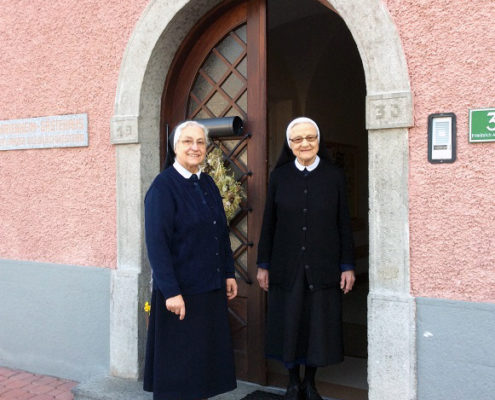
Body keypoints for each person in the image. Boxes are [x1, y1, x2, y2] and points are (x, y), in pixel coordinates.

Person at [257, 117, 356, 400]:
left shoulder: (334, 176)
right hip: (286, 265)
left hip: (323, 264)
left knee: (316, 325)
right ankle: (292, 382)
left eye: (310, 138)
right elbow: (269, 223)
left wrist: (347, 265)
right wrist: (263, 264)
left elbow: (343, 223)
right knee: (290, 322)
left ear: (318, 140)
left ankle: (310, 382)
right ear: (289, 144)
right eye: (298, 139)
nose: (305, 143)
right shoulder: (279, 176)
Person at [143, 120, 238, 400]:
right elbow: (157, 245)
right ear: (175, 148)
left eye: (200, 142)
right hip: (180, 296)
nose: (195, 148)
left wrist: (229, 272)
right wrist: (171, 292)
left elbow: (220, 231)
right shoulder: (163, 188)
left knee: (203, 367)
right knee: (179, 371)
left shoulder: (207, 183)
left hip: (208, 290)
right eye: (188, 142)